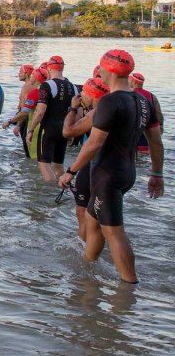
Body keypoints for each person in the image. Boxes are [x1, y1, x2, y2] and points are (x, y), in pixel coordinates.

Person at [59, 50, 164, 284]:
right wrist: (157, 174)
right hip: (127, 172)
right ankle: (87, 269)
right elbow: (156, 140)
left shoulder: (110, 101)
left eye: (102, 68)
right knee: (93, 220)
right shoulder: (143, 101)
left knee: (113, 231)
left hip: (106, 174)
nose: (100, 72)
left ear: (111, 70)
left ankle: (129, 286)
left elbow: (95, 142)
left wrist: (71, 171)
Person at [64, 77, 108, 244]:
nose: (81, 95)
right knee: (106, 220)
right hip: (118, 169)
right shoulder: (117, 107)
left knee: (84, 215)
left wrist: (73, 108)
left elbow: (67, 132)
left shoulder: (96, 113)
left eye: (83, 92)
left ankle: (84, 254)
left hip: (95, 166)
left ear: (93, 94)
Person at [27, 55, 77, 182]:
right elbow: (78, 113)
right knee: (58, 164)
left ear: (49, 68)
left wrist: (31, 130)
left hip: (48, 129)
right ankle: (63, 187)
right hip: (65, 130)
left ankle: (49, 194)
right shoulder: (73, 87)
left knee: (43, 163)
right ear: (62, 68)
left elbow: (40, 111)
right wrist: (72, 131)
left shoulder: (47, 85)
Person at [4, 66, 46, 160]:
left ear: (35, 78)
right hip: (47, 128)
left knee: (35, 158)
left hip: (36, 127)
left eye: (32, 76)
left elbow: (24, 111)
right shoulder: (47, 91)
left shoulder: (33, 91)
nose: (31, 77)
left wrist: (12, 122)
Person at [129, 73, 164, 153]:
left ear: (134, 83)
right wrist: (160, 129)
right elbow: (159, 116)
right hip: (147, 133)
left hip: (131, 134)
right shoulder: (151, 96)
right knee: (145, 156)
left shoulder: (127, 94)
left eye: (129, 80)